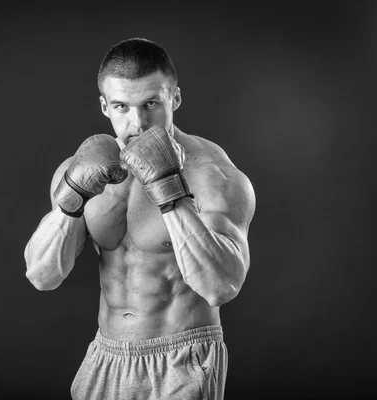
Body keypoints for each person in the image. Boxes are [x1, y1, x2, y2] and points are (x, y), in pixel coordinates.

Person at [24, 37, 256, 400]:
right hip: (107, 357)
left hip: (182, 359)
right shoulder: (83, 169)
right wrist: (72, 198)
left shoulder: (213, 174)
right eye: (121, 106)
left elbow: (221, 286)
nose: (137, 122)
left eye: (152, 103)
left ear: (174, 98)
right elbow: (42, 275)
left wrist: (169, 187)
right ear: (104, 105)